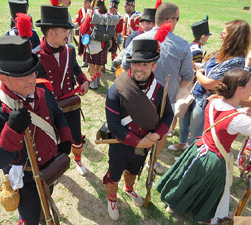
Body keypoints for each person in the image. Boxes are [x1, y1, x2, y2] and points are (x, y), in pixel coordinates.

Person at [0, 36, 72, 225]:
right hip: (26, 180)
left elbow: (58, 115)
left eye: (32, 72)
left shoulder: (43, 90)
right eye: (21, 76)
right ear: (2, 77)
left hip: (50, 169)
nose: (30, 79)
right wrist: (12, 130)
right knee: (30, 217)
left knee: (45, 206)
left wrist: (65, 141)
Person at [156, 68, 251, 224]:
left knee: (187, 179)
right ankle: (198, 211)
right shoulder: (238, 119)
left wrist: (243, 111)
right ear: (239, 89)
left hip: (199, 148)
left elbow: (231, 111)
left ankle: (173, 205)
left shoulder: (215, 101)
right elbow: (236, 117)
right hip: (214, 160)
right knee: (206, 190)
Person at [103, 38, 174, 220]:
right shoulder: (116, 90)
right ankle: (112, 198)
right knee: (115, 173)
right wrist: (138, 141)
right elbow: (114, 125)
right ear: (130, 63)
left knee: (134, 170)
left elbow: (168, 116)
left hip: (146, 144)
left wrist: (157, 135)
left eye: (145, 64)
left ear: (154, 66)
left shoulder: (159, 90)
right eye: (136, 63)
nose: (139, 68)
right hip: (121, 143)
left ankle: (129, 189)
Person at [123, 2, 194, 174]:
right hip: (161, 102)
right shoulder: (182, 45)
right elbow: (187, 78)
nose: (177, 21)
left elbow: (125, 67)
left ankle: (141, 163)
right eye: (177, 19)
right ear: (170, 20)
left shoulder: (139, 39)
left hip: (141, 99)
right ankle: (149, 163)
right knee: (159, 134)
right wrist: (173, 93)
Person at [169, 20, 250, 151]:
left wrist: (199, 74)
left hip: (204, 100)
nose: (221, 35)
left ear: (234, 36)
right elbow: (207, 71)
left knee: (196, 131)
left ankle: (191, 155)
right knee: (184, 121)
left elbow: (210, 84)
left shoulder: (237, 61)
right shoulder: (222, 53)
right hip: (195, 93)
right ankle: (182, 144)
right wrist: (199, 70)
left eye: (224, 33)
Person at [35, 5, 89, 176]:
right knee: (52, 139)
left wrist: (84, 80)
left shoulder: (70, 50)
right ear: (52, 32)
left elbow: (75, 69)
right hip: (49, 109)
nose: (69, 34)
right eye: (66, 30)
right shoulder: (35, 56)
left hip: (70, 104)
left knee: (76, 136)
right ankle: (55, 165)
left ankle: (78, 161)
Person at [167, 17, 211, 145]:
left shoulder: (192, 45)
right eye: (207, 35)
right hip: (189, 84)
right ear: (202, 36)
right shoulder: (197, 50)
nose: (208, 38)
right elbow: (195, 68)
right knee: (181, 109)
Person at [80, 0, 109, 89]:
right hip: (103, 44)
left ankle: (94, 83)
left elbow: (83, 29)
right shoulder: (107, 15)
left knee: (92, 64)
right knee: (99, 64)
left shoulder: (91, 14)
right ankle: (98, 82)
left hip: (92, 44)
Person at [74, 0, 92, 67]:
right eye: (84, 1)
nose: (84, 3)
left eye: (86, 2)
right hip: (82, 32)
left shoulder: (92, 10)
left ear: (90, 3)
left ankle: (90, 62)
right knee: (84, 48)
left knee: (89, 48)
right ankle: (85, 61)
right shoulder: (81, 10)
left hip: (89, 33)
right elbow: (77, 21)